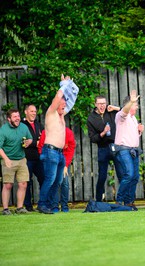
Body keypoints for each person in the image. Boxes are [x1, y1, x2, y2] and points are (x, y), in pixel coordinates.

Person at [38, 74, 79, 214]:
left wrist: (69, 86)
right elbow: (58, 97)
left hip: (60, 154)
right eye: (62, 105)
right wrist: (63, 84)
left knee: (57, 181)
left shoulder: (61, 115)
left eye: (64, 105)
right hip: (50, 151)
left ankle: (49, 204)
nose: (64, 106)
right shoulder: (52, 112)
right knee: (50, 179)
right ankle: (42, 204)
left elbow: (71, 100)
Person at [113, 90, 143, 211]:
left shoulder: (133, 119)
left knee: (135, 176)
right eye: (135, 105)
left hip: (133, 150)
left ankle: (129, 201)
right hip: (124, 150)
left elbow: (131, 135)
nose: (137, 106)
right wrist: (131, 101)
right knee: (129, 174)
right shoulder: (121, 116)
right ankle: (119, 200)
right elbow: (124, 111)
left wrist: (139, 131)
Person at [87, 96, 121, 202]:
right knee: (102, 176)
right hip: (102, 148)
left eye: (104, 103)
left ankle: (125, 199)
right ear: (95, 104)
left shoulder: (111, 111)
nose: (102, 106)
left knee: (121, 173)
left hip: (114, 146)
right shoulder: (91, 118)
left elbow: (125, 111)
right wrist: (103, 133)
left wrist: (115, 108)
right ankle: (98, 201)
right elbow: (92, 138)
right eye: (100, 103)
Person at [0, 109, 33, 215]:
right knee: (8, 185)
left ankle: (19, 208)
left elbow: (30, 139)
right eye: (14, 117)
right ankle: (5, 209)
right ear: (9, 119)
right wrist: (6, 159)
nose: (17, 118)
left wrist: (28, 142)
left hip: (22, 159)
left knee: (23, 184)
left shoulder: (24, 127)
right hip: (8, 159)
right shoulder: (3, 130)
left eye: (18, 116)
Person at [38, 127, 76, 212]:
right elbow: (41, 147)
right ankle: (54, 206)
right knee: (52, 181)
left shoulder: (68, 132)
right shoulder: (46, 132)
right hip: (50, 159)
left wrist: (65, 165)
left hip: (64, 159)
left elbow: (71, 148)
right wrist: (45, 159)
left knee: (64, 182)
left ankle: (65, 206)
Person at [22, 104, 45, 211]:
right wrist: (36, 143)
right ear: (26, 112)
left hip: (39, 158)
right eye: (31, 111)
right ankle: (28, 206)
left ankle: (42, 204)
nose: (34, 113)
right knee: (27, 182)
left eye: (35, 111)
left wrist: (34, 142)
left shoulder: (39, 125)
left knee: (44, 180)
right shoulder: (21, 125)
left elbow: (44, 139)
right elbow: (23, 142)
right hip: (27, 158)